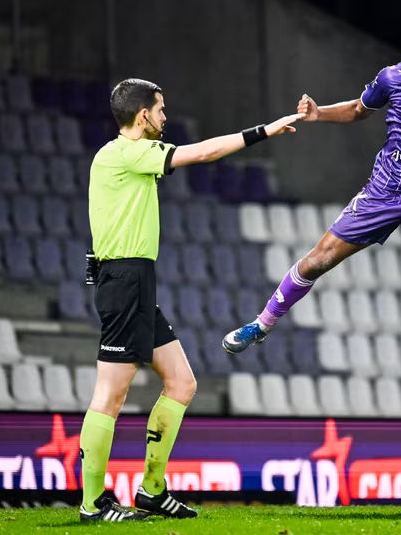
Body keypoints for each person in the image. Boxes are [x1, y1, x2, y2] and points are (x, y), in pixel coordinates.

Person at [223, 15, 401, 388]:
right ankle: (262, 323)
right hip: (385, 190)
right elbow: (357, 110)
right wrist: (318, 115)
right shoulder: (395, 78)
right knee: (318, 261)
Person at [81, 78, 299, 522]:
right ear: (142, 115)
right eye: (160, 109)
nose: (165, 116)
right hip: (123, 280)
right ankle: (92, 505)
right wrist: (264, 131)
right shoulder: (127, 152)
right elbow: (201, 153)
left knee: (182, 383)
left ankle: (152, 491)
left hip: (136, 279)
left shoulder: (122, 156)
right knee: (110, 396)